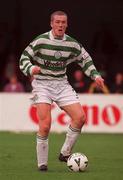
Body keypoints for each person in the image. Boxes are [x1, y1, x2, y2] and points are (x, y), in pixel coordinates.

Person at [19, 11, 104, 171]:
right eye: (57, 22)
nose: (60, 25)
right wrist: (31, 68)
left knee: (80, 118)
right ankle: (42, 164)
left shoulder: (71, 43)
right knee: (45, 125)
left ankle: (65, 153)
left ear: (67, 24)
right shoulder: (41, 40)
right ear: (51, 23)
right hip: (42, 84)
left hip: (61, 84)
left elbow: (85, 59)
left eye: (63, 22)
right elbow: (23, 57)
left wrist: (95, 75)